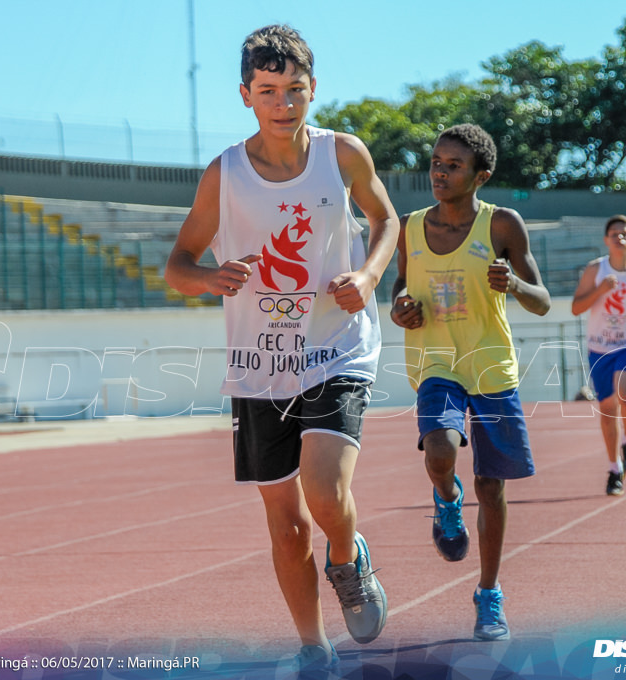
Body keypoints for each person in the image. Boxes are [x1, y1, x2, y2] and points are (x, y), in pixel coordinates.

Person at [164, 24, 399, 672]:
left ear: (313, 89)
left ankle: (349, 563)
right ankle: (312, 648)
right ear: (246, 95)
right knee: (288, 525)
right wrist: (209, 277)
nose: (283, 103)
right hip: (259, 366)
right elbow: (178, 264)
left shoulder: (342, 154)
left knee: (325, 494)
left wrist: (370, 274)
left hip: (336, 347)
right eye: (268, 91)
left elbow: (386, 220)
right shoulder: (225, 175)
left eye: (295, 89)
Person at [389, 123, 551, 641]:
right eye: (436, 161)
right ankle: (446, 499)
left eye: (453, 165)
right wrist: (401, 310)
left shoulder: (502, 224)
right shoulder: (409, 227)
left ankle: (488, 593)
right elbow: (398, 290)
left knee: (491, 484)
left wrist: (516, 283)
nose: (439, 170)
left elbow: (542, 300)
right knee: (439, 450)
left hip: (490, 367)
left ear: (481, 175)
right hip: (435, 361)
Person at [571, 215, 626, 496]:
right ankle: (614, 468)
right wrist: (600, 290)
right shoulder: (594, 270)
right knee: (608, 408)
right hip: (600, 346)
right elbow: (576, 307)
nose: (619, 237)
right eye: (614, 233)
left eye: (625, 233)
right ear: (606, 240)